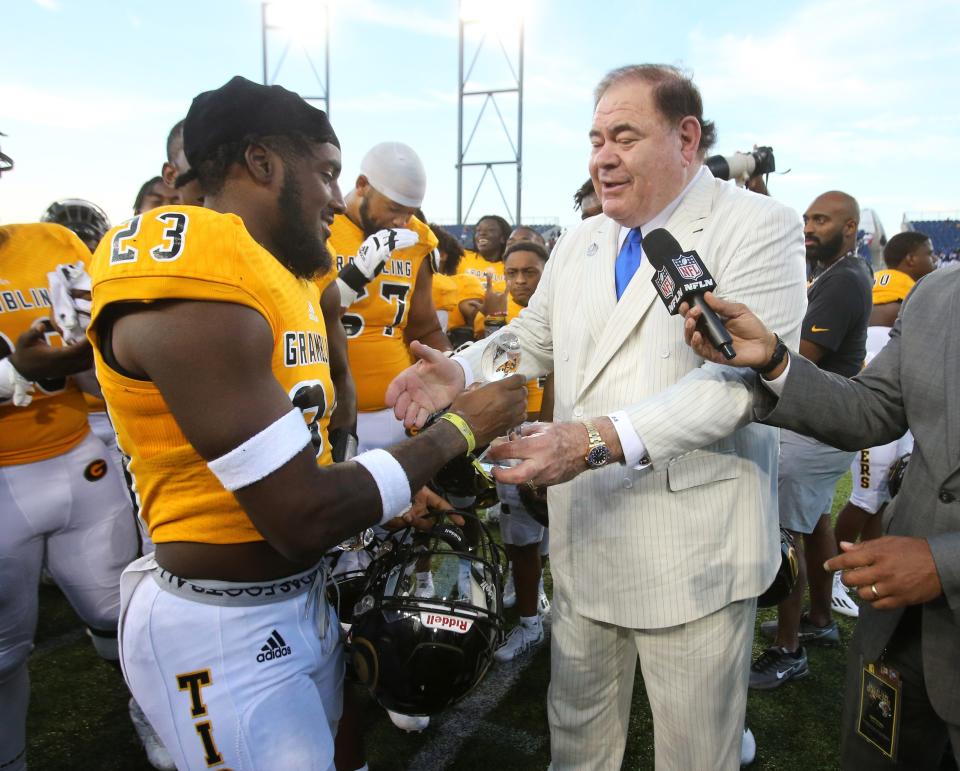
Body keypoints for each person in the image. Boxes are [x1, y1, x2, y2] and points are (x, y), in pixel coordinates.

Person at [86, 76, 525, 771]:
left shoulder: (277, 273)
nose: (332, 196)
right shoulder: (198, 272)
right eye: (323, 172)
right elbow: (296, 513)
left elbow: (299, 450)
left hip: (293, 596)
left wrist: (384, 498)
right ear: (262, 164)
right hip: (223, 625)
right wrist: (457, 430)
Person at [386, 63, 807, 770]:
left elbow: (741, 386)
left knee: (696, 757)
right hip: (585, 547)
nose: (601, 156)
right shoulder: (582, 239)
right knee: (577, 747)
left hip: (694, 559)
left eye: (623, 136)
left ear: (686, 139)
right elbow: (535, 338)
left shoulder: (759, 226)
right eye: (594, 139)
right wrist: (461, 368)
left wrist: (594, 440)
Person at [680, 264, 960, 770]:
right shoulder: (939, 291)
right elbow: (873, 408)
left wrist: (944, 561)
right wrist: (773, 360)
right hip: (901, 627)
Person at [0, 144, 169, 768]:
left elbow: (97, 376)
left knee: (122, 610)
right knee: (3, 653)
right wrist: (13, 370)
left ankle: (152, 709)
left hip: (77, 459)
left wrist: (96, 349)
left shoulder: (51, 243)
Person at [751, 191, 872, 689]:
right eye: (807, 219)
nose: (809, 228)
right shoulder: (842, 272)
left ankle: (787, 648)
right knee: (814, 520)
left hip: (817, 427)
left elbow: (801, 360)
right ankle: (819, 620)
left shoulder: (842, 279)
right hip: (828, 424)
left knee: (784, 535)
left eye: (821, 220)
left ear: (850, 227)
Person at [830, 231, 937, 618]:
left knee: (882, 498)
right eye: (926, 252)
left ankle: (865, 567)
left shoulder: (886, 282)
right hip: (880, 409)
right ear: (910, 259)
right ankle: (832, 578)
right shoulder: (920, 291)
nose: (932, 258)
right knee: (865, 496)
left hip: (894, 407)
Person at [328, 141, 449, 454]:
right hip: (331, 412)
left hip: (399, 410)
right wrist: (355, 276)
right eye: (394, 209)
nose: (402, 222)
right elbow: (303, 321)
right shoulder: (321, 226)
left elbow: (424, 328)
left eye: (409, 213)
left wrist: (454, 365)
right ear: (362, 185)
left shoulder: (416, 238)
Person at [488, 241, 554, 662]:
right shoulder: (504, 320)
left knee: (529, 538)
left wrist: (540, 433)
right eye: (512, 273)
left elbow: (557, 382)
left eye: (529, 272)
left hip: (544, 436)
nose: (519, 281)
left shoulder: (554, 315)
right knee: (525, 536)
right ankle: (535, 600)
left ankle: (530, 623)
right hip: (518, 434)